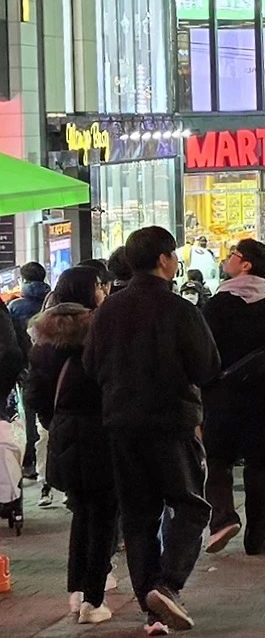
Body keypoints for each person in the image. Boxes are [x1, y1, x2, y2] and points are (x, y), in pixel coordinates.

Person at [83, 224, 219, 633]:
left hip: (121, 424)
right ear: (163, 260)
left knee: (139, 515)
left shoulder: (108, 311)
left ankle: (152, 608)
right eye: (174, 254)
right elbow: (207, 366)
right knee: (191, 506)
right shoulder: (180, 309)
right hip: (172, 423)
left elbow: (91, 365)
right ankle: (167, 585)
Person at [200, 237, 265, 558]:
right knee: (260, 466)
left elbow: (202, 352)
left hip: (222, 396)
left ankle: (223, 518)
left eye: (233, 254)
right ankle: (257, 539)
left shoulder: (215, 305)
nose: (227, 258)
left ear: (245, 264)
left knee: (218, 461)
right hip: (264, 397)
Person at [26, 265, 116, 623]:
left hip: (64, 433)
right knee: (104, 517)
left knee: (82, 515)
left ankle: (77, 594)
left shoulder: (43, 339)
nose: (102, 291)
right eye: (98, 286)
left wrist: (56, 423)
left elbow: (35, 395)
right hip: (99, 434)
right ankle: (94, 600)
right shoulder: (97, 333)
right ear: (84, 291)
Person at [11, 261, 49, 480]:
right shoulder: (51, 301)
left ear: (24, 280)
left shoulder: (15, 307)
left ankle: (29, 462)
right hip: (50, 363)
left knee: (28, 412)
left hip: (26, 366)